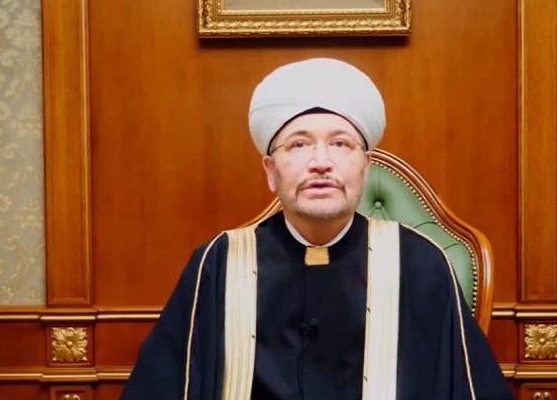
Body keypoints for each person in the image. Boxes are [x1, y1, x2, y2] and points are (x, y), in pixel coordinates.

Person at [120, 58, 513, 400]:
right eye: (299, 145)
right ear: (270, 171)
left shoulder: (420, 264)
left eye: (340, 144)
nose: (321, 162)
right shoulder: (220, 262)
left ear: (365, 167)